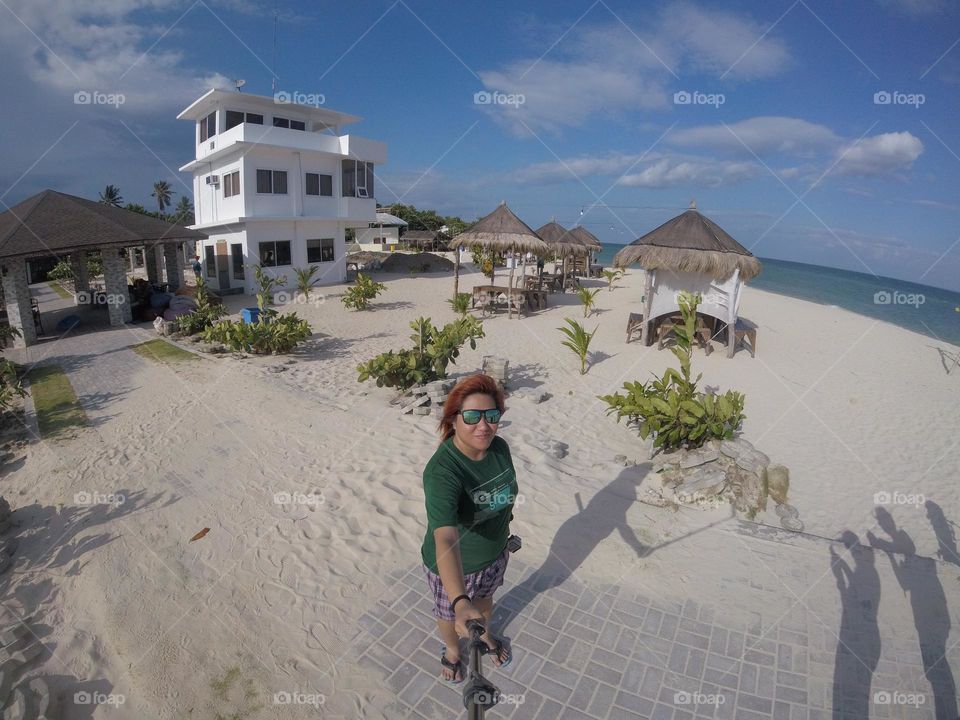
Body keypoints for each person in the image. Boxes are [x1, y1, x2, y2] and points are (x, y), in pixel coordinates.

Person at [421, 373, 517, 684]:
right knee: (450, 615)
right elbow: (446, 535)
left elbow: (504, 498)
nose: (484, 425)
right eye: (472, 416)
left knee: (486, 600)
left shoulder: (500, 448)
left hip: (495, 552)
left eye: (492, 415)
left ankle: (486, 635)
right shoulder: (443, 471)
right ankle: (451, 650)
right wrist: (460, 599)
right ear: (454, 419)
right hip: (454, 565)